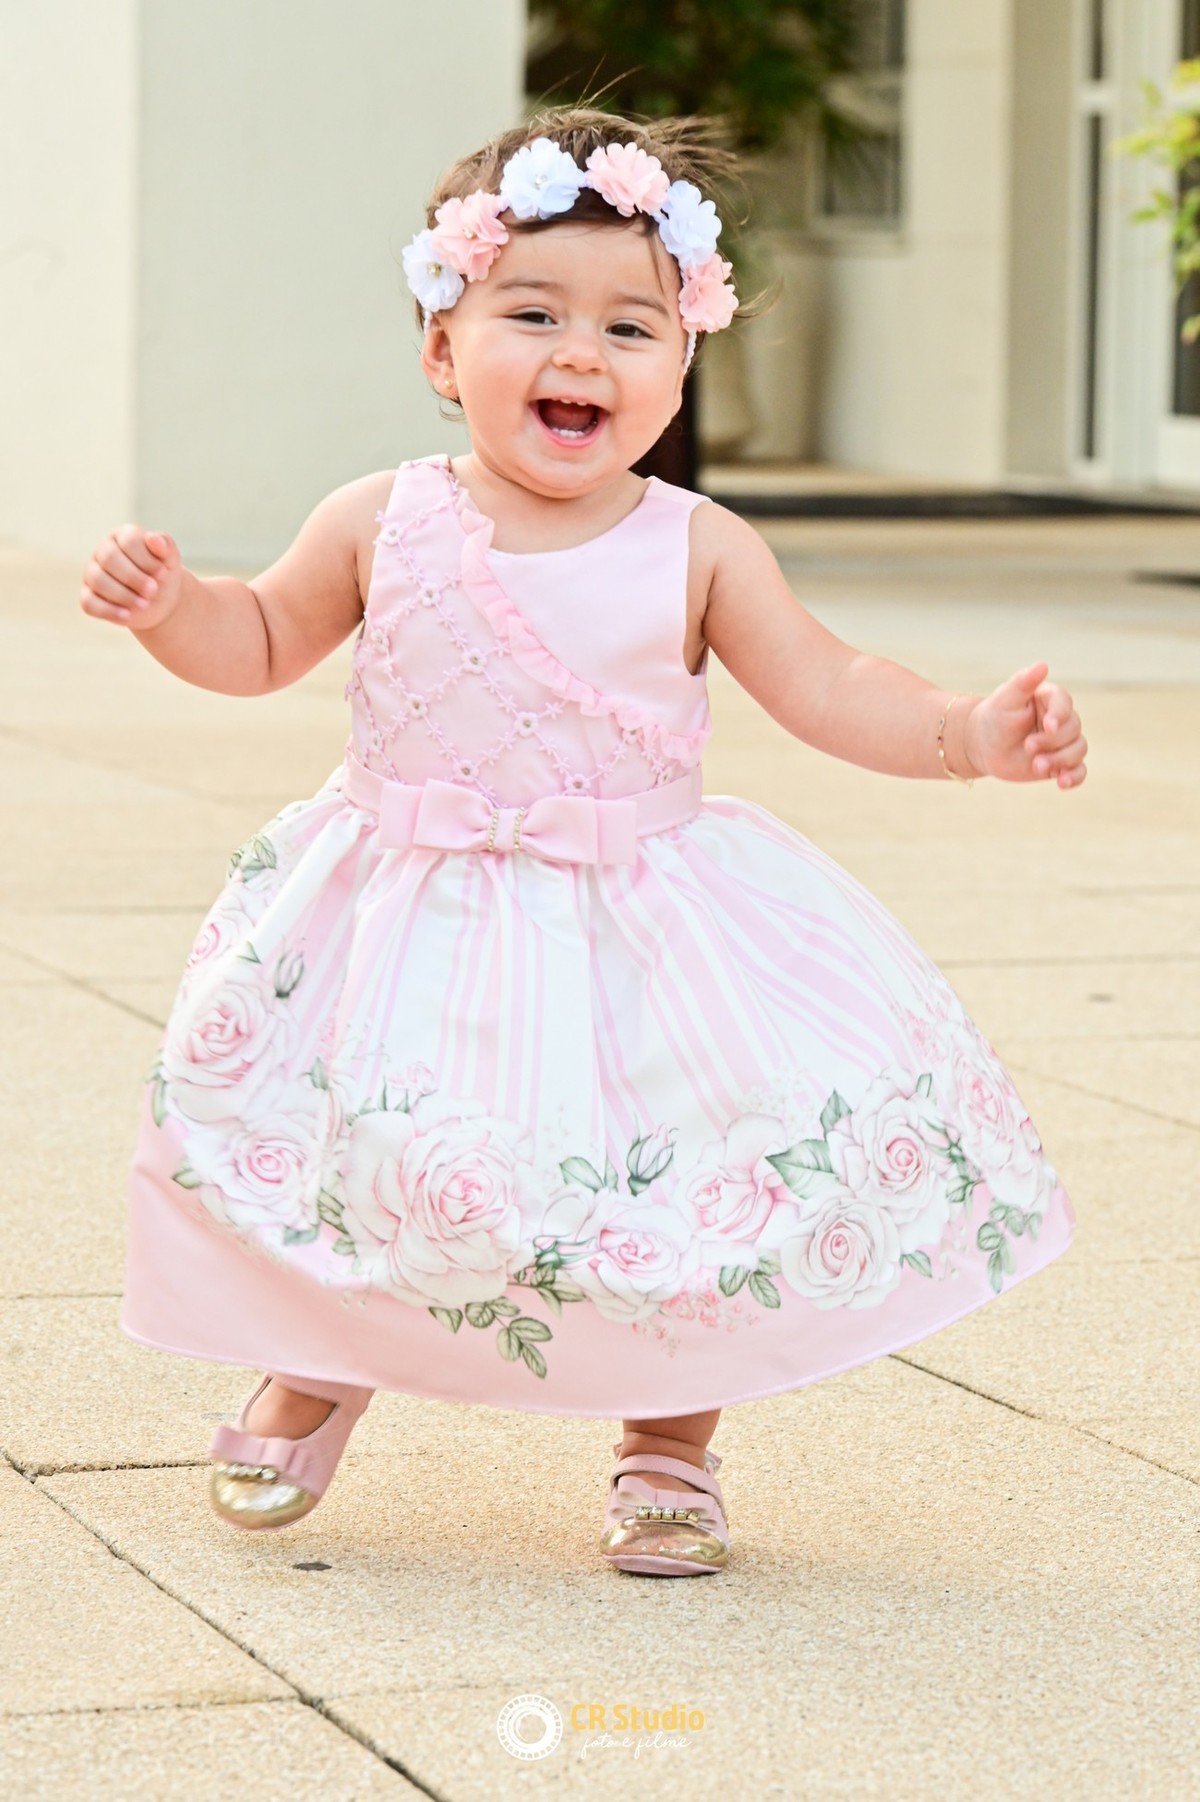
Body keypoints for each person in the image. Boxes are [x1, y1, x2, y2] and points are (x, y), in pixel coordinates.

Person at [81, 106, 1083, 1578]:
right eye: (533, 314)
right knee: (371, 1153)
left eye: (630, 326)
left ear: (681, 363)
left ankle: (669, 1439)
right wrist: (178, 611)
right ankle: (320, 1365)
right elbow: (262, 638)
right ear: (444, 348)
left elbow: (829, 683)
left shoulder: (697, 543)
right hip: (399, 916)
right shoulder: (380, 518)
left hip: (638, 929)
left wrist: (965, 731)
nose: (583, 354)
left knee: (683, 1183)